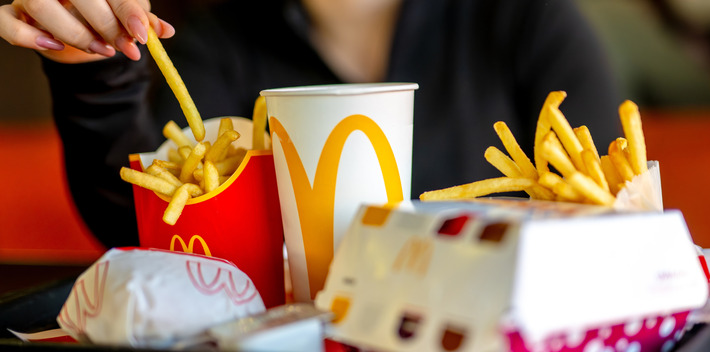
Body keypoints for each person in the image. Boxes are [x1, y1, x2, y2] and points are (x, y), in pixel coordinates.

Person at [0, 0, 620, 249]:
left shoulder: (525, 20)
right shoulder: (217, 45)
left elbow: (609, 207)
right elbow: (144, 223)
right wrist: (86, 63)